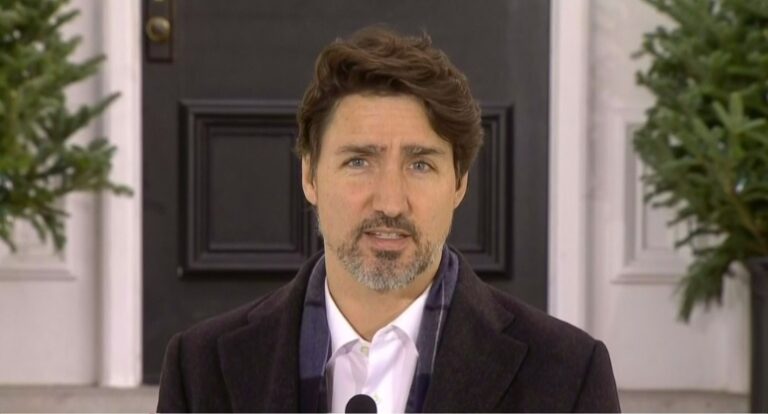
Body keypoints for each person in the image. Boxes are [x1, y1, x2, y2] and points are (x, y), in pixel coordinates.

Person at [157, 26, 621, 413]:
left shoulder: (567, 374)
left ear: (459, 183)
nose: (391, 203)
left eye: (420, 164)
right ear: (310, 176)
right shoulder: (199, 368)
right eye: (359, 161)